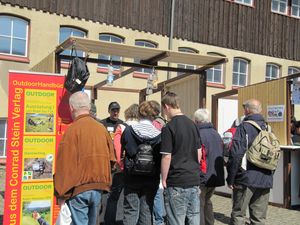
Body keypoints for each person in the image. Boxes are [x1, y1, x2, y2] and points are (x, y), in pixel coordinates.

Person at [54, 91, 116, 225]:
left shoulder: (72, 131)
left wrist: (61, 194)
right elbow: (112, 160)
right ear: (88, 107)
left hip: (79, 190)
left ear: (71, 108)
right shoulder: (102, 129)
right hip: (99, 188)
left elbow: (64, 165)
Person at [227, 99, 274, 225]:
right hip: (265, 178)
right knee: (259, 218)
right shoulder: (268, 128)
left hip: (246, 178)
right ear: (261, 110)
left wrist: (231, 178)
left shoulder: (243, 127)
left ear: (247, 110)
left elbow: (236, 154)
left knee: (238, 214)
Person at [160, 91, 201, 225]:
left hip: (177, 180)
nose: (164, 113)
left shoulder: (169, 127)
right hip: (193, 179)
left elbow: (166, 156)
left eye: (164, 110)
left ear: (167, 106)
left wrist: (164, 178)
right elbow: (199, 152)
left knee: (176, 220)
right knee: (194, 218)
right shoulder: (193, 124)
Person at [121, 101, 162, 225]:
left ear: (139, 113)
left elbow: (125, 149)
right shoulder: (159, 134)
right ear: (153, 115)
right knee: (146, 210)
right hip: (151, 177)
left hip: (132, 176)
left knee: (130, 210)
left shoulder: (129, 131)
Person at [104, 104, 139, 224]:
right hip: (139, 168)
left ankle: (110, 222)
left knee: (114, 197)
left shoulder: (122, 127)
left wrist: (118, 164)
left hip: (124, 167)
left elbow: (117, 147)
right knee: (134, 197)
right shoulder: (142, 126)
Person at [194, 108, 225, 225]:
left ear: (196, 120)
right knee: (207, 201)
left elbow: (198, 156)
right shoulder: (216, 133)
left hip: (203, 175)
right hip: (214, 175)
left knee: (199, 204)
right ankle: (209, 222)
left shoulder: (198, 134)